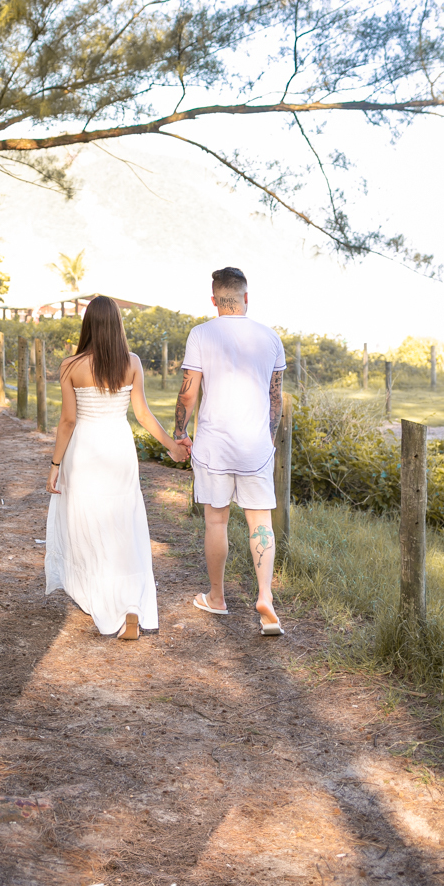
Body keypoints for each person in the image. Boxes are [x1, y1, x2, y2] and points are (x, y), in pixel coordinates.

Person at [45, 296, 189, 640]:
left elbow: (67, 421)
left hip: (85, 449)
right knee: (123, 521)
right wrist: (172, 446)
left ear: (88, 325)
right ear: (117, 326)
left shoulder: (70, 365)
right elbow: (142, 414)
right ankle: (129, 607)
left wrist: (54, 463)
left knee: (87, 522)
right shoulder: (132, 362)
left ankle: (100, 598)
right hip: (119, 447)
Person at [174, 267, 286, 636]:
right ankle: (265, 596)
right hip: (256, 445)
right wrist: (268, 439)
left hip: (214, 445)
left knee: (216, 521)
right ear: (246, 297)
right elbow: (275, 397)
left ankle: (218, 597)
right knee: (261, 522)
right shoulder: (270, 338)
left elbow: (189, 392)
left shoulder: (201, 334)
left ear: (214, 300)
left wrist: (179, 431)